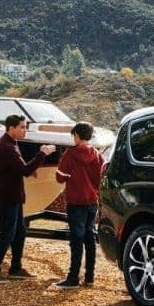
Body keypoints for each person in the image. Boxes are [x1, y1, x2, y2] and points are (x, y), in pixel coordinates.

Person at [0, 114, 56, 283]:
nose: (25, 130)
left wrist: (30, 170)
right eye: (22, 127)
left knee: (20, 231)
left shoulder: (11, 143)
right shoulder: (6, 146)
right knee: (7, 233)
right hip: (6, 195)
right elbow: (23, 169)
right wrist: (41, 154)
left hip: (12, 194)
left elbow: (19, 167)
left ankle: (15, 268)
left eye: (25, 127)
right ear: (11, 128)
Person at [53, 122, 104, 289]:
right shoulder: (97, 154)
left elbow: (60, 177)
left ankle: (73, 278)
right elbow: (102, 175)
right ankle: (89, 276)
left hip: (76, 202)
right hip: (92, 201)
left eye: (73, 135)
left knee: (76, 240)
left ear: (77, 135)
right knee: (90, 238)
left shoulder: (70, 154)